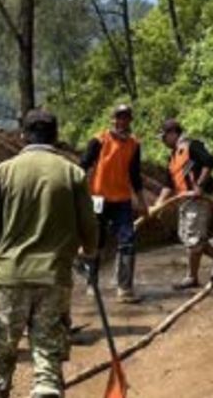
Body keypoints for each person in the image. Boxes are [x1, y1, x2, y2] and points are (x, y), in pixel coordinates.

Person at [0, 109, 99, 398]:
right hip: (55, 278)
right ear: (55, 137)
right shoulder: (72, 173)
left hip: (9, 277)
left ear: (22, 136)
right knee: (47, 364)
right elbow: (90, 227)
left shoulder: (3, 171)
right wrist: (88, 251)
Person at [152, 119, 213, 290]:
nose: (163, 141)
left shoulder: (192, 146)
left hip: (199, 199)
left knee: (193, 238)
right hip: (185, 201)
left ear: (173, 133)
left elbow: (208, 162)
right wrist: (158, 205)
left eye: (164, 137)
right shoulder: (173, 155)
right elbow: (168, 184)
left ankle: (191, 277)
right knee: (187, 236)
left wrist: (199, 184)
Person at [81, 104, 148, 304]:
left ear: (130, 121)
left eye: (126, 118)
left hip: (122, 200)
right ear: (113, 120)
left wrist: (142, 202)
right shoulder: (99, 140)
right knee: (96, 242)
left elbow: (135, 176)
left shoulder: (134, 145)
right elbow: (83, 166)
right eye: (119, 118)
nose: (122, 122)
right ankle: (92, 282)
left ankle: (124, 288)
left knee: (127, 241)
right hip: (98, 199)